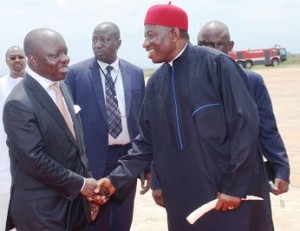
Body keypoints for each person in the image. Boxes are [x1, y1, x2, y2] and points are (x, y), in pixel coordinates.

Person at [96, 3, 274, 231]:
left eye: (151, 35)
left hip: (226, 197)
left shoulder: (218, 65)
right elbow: (146, 144)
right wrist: (114, 181)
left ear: (174, 33)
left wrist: (235, 185)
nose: (145, 43)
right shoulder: (156, 83)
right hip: (184, 201)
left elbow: (245, 126)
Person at [3, 28, 99, 231]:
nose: (65, 59)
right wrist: (81, 184)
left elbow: (77, 148)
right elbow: (34, 160)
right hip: (42, 212)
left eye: (65, 52)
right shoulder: (18, 103)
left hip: (75, 206)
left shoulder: (62, 86)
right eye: (55, 55)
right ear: (34, 60)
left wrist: (87, 194)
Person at [65, 22, 146, 231]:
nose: (98, 45)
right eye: (94, 39)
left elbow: (143, 121)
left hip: (127, 158)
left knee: (122, 219)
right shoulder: (76, 74)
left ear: (118, 43)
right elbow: (68, 122)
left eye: (104, 39)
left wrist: (145, 166)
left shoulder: (135, 73)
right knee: (94, 219)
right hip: (92, 159)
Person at [197, 20, 290, 194]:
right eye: (202, 44)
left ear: (230, 46)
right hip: (204, 177)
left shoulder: (252, 82)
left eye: (215, 44)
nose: (208, 50)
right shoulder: (190, 83)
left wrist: (281, 168)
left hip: (247, 174)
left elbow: (267, 129)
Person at [0, 46, 26, 230]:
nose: (17, 60)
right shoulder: (1, 86)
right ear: (6, 61)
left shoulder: (36, 84)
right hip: (3, 157)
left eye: (20, 56)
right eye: (12, 57)